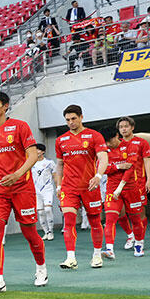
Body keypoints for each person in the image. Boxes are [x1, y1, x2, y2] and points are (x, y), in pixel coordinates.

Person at [0, 92, 47, 291]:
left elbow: (33, 155)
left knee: (30, 233)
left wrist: (17, 174)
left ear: (5, 106)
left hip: (22, 188)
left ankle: (41, 268)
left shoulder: (20, 127)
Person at [54, 105, 108, 269]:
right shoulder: (61, 140)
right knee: (69, 222)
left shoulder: (94, 136)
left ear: (81, 117)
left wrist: (98, 176)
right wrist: (58, 185)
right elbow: (59, 165)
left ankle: (97, 255)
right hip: (69, 188)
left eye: (73, 119)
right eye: (67, 120)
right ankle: (71, 258)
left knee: (95, 221)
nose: (70, 122)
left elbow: (103, 157)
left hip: (89, 187)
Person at [100, 126, 147, 259]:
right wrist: (117, 166)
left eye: (110, 141)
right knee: (110, 219)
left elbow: (130, 169)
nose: (108, 144)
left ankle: (138, 244)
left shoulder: (130, 146)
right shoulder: (104, 150)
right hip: (112, 189)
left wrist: (120, 187)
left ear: (116, 136)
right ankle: (109, 249)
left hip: (130, 188)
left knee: (135, 219)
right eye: (106, 142)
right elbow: (103, 168)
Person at [116, 116, 150, 251]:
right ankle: (130, 235)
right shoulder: (117, 144)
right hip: (119, 185)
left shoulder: (141, 142)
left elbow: (147, 161)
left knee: (139, 214)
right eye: (121, 127)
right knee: (120, 212)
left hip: (138, 184)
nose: (123, 129)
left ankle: (139, 240)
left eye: (126, 126)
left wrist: (149, 180)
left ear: (132, 127)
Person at [31, 144, 57, 240]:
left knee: (48, 210)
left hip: (47, 189)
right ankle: (46, 232)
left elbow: (55, 176)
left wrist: (58, 187)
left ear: (43, 151)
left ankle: (50, 231)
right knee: (41, 212)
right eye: (35, 150)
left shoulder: (49, 163)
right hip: (36, 191)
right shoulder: (31, 163)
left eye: (38, 150)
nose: (36, 152)